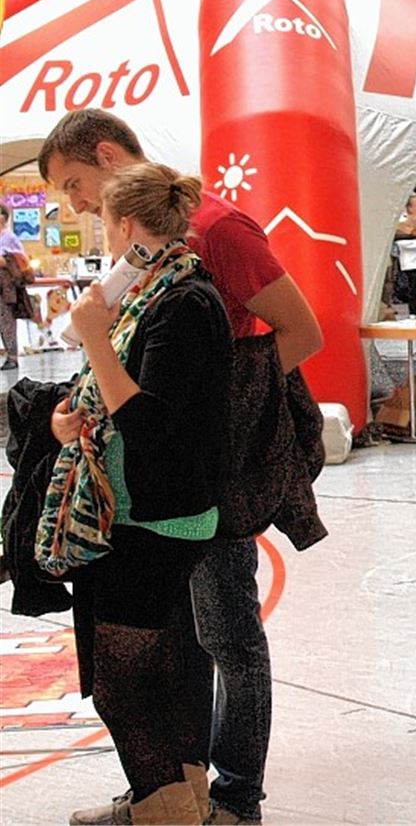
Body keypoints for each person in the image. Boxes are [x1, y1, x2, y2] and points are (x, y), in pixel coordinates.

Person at [38, 110, 323, 826]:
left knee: (223, 637)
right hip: (153, 478)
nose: (75, 206)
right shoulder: (147, 260)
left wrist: (212, 412)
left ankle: (231, 796)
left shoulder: (215, 235)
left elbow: (301, 330)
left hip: (199, 478)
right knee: (174, 646)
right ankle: (172, 791)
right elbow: (119, 358)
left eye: (77, 185)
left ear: (108, 158)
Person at [49, 164, 234, 825]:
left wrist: (95, 338)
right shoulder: (150, 295)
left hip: (158, 517)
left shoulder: (184, 302)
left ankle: (164, 810)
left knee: (122, 682)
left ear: (125, 226)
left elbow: (152, 425)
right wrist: (69, 417)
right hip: (137, 511)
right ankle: (178, 795)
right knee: (153, 671)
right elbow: (115, 394)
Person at [0, 203, 30, 370]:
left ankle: (12, 356)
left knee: (6, 322)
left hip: (5, 287)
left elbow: (19, 260)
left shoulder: (9, 238)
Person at [393, 193, 416, 315]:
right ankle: (413, 312)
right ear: (408, 207)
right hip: (408, 257)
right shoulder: (401, 219)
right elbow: (398, 232)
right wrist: (413, 232)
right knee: (413, 286)